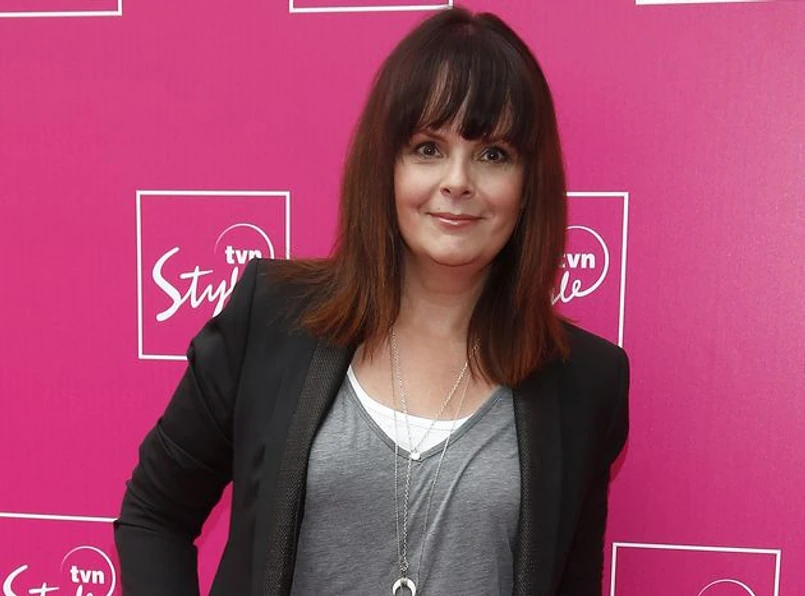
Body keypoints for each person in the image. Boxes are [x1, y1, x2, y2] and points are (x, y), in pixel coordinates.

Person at [114, 6, 630, 596]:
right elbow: (155, 513)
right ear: (384, 166)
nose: (457, 181)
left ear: (529, 183)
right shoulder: (272, 317)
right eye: (428, 148)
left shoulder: (586, 382)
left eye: (493, 154)